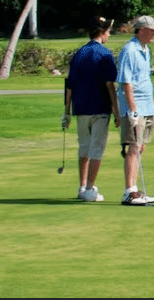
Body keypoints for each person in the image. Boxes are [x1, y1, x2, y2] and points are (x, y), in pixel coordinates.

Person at [62, 16, 120, 202]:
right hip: (100, 109)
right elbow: (110, 85)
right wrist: (118, 113)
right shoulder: (104, 54)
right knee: (96, 149)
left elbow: (69, 85)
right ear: (102, 32)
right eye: (108, 31)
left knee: (84, 148)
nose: (109, 34)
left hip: (80, 108)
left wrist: (67, 111)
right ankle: (89, 189)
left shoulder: (79, 53)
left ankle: (83, 186)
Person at [116, 15, 154, 206]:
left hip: (146, 105)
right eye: (152, 30)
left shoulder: (145, 49)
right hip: (134, 107)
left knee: (140, 147)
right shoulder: (129, 50)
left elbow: (146, 82)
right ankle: (129, 192)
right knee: (134, 147)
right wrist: (133, 111)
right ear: (141, 30)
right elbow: (126, 83)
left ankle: (135, 190)